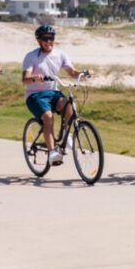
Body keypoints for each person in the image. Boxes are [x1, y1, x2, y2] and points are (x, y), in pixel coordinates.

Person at [21, 24, 92, 165]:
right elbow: (24, 79)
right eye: (45, 39)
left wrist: (84, 73)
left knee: (69, 106)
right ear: (39, 41)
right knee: (48, 117)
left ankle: (66, 134)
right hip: (35, 96)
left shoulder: (60, 54)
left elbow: (72, 72)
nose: (49, 42)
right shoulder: (31, 57)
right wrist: (35, 78)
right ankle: (53, 152)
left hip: (53, 92)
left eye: (51, 38)